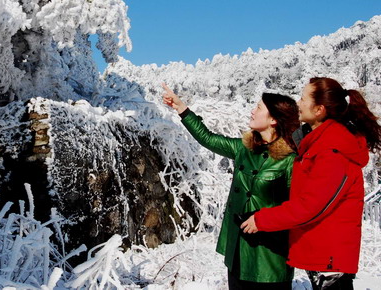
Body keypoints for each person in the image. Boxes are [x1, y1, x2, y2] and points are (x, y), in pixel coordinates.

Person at [241, 77, 381, 290]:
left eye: (303, 98)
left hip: (330, 257)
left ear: (319, 110)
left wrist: (262, 219)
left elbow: (311, 206)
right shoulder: (318, 143)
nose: (299, 103)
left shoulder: (332, 151)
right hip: (320, 251)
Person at [162, 83, 300, 290]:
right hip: (239, 247)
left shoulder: (290, 159)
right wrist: (182, 108)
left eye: (259, 107)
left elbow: (298, 207)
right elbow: (208, 138)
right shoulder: (243, 148)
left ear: (273, 119)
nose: (253, 111)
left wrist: (264, 220)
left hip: (269, 252)